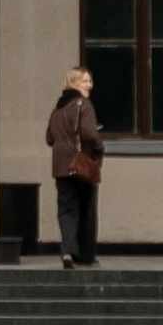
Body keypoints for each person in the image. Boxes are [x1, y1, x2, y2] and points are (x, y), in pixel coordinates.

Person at [45, 67, 104, 269]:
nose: (90, 85)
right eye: (85, 81)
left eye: (90, 81)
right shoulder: (83, 104)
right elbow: (89, 134)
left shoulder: (57, 109)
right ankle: (86, 255)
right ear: (74, 83)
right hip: (82, 163)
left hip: (61, 167)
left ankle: (68, 250)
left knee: (67, 210)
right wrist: (99, 146)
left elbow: (49, 138)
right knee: (87, 209)